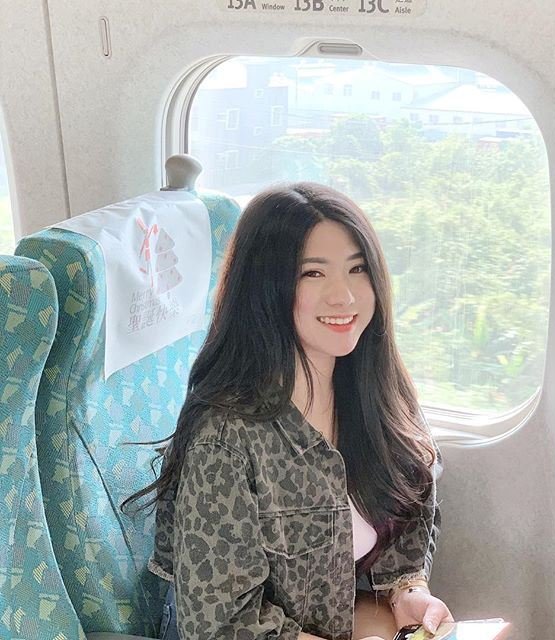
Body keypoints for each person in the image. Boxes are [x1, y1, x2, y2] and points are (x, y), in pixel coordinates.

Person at [124, 182, 453, 640]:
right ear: (266, 288)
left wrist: (407, 592)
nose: (344, 296)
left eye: (357, 269)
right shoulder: (225, 441)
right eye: (313, 273)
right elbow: (223, 625)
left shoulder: (377, 393)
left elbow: (407, 515)